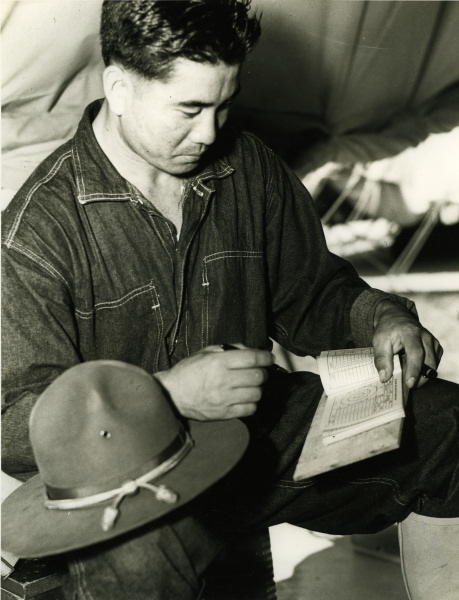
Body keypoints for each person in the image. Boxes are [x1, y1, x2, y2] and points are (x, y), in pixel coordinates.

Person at [1, 1, 458, 599]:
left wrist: (380, 316)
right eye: (189, 109)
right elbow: (13, 426)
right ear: (119, 88)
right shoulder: (36, 233)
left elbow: (311, 293)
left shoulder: (250, 169)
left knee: (447, 429)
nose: (211, 133)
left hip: (256, 443)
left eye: (223, 105)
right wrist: (168, 395)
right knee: (141, 573)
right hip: (136, 481)